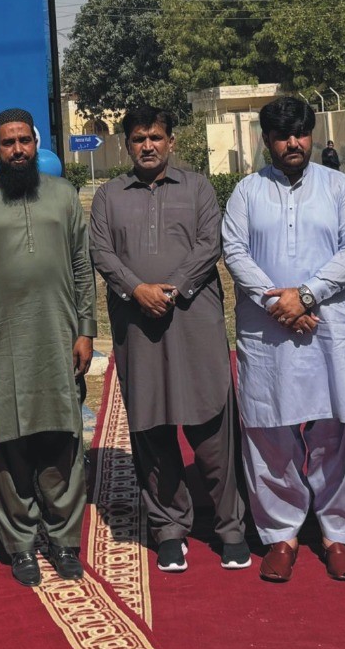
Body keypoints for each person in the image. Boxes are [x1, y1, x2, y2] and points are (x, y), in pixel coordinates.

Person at [89, 107, 248, 574]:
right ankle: (169, 529)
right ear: (127, 144)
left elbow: (209, 242)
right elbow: (101, 249)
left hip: (192, 319)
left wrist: (173, 288)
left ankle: (230, 527)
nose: (147, 146)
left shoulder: (197, 186)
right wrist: (137, 289)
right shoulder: (108, 196)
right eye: (138, 139)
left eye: (156, 137)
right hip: (138, 325)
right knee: (152, 428)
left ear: (171, 141)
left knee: (212, 426)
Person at [222, 95, 345, 584]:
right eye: (284, 136)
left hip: (332, 326)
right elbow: (235, 252)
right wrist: (277, 303)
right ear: (267, 141)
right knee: (269, 431)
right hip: (268, 332)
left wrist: (307, 296)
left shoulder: (339, 186)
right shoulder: (246, 191)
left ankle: (338, 535)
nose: (294, 143)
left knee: (340, 428)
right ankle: (281, 534)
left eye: (301, 133)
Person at [0, 108, 97, 587]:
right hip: (3, 341)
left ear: (36, 144)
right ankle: (20, 543)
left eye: (24, 141)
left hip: (59, 337)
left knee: (62, 438)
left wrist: (86, 330)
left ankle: (63, 539)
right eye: (7, 143)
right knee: (10, 443)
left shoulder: (63, 196)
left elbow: (83, 265)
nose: (17, 150)